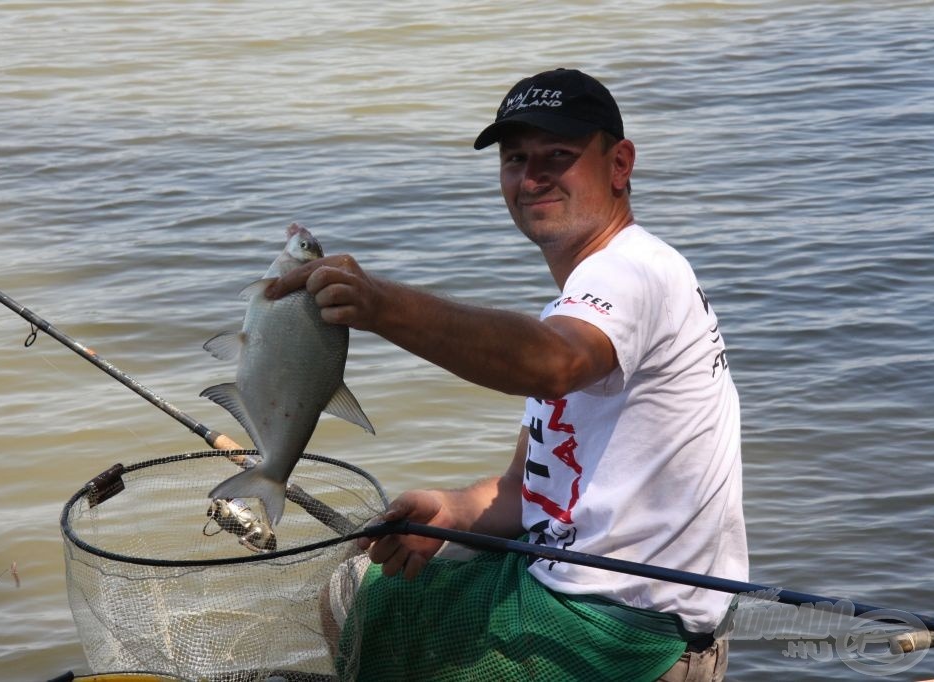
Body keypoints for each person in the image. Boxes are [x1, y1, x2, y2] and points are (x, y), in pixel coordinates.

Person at [268, 68, 747, 681]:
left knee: (363, 617)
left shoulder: (632, 272)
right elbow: (531, 489)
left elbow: (552, 364)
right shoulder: (576, 303)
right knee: (358, 591)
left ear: (619, 164)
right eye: (516, 158)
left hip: (624, 621)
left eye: (559, 156)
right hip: (560, 581)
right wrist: (452, 510)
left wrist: (380, 306)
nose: (532, 177)